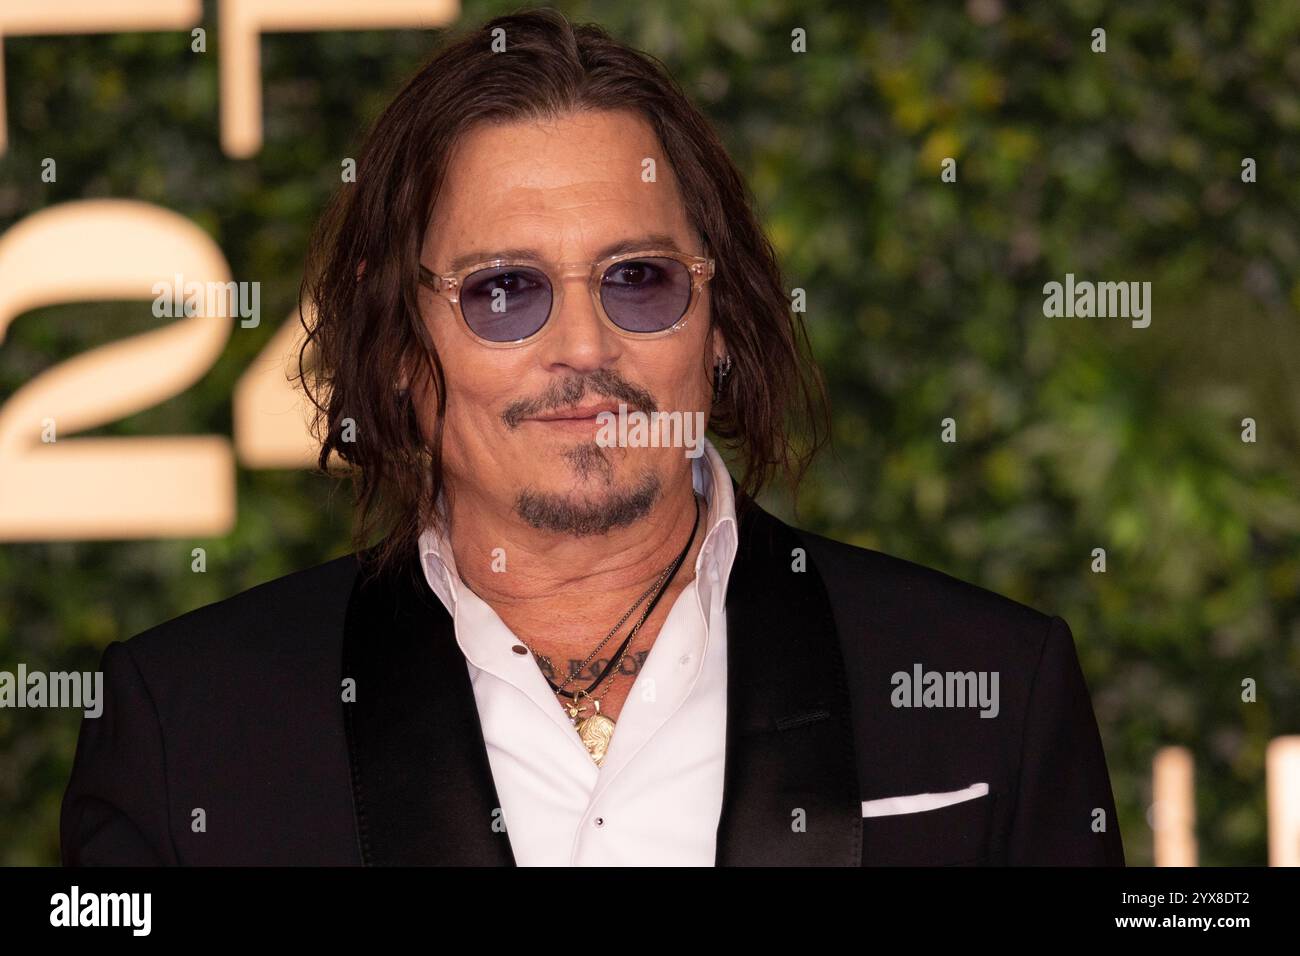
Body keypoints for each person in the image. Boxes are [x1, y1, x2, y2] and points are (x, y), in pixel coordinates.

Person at [61, 8, 1124, 866]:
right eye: (504, 291)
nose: (583, 344)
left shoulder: (986, 686)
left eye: (639, 280)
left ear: (717, 322)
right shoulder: (189, 731)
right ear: (395, 341)